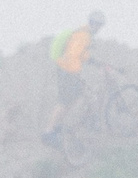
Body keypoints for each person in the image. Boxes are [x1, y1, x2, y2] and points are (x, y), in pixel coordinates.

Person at [41, 10, 105, 138]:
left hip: (68, 70)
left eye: (100, 26)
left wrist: (94, 62)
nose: (99, 29)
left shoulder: (84, 34)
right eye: (98, 25)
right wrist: (74, 73)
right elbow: (73, 54)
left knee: (73, 98)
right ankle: (48, 131)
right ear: (93, 23)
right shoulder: (83, 35)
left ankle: (57, 125)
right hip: (68, 71)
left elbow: (81, 53)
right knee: (64, 102)